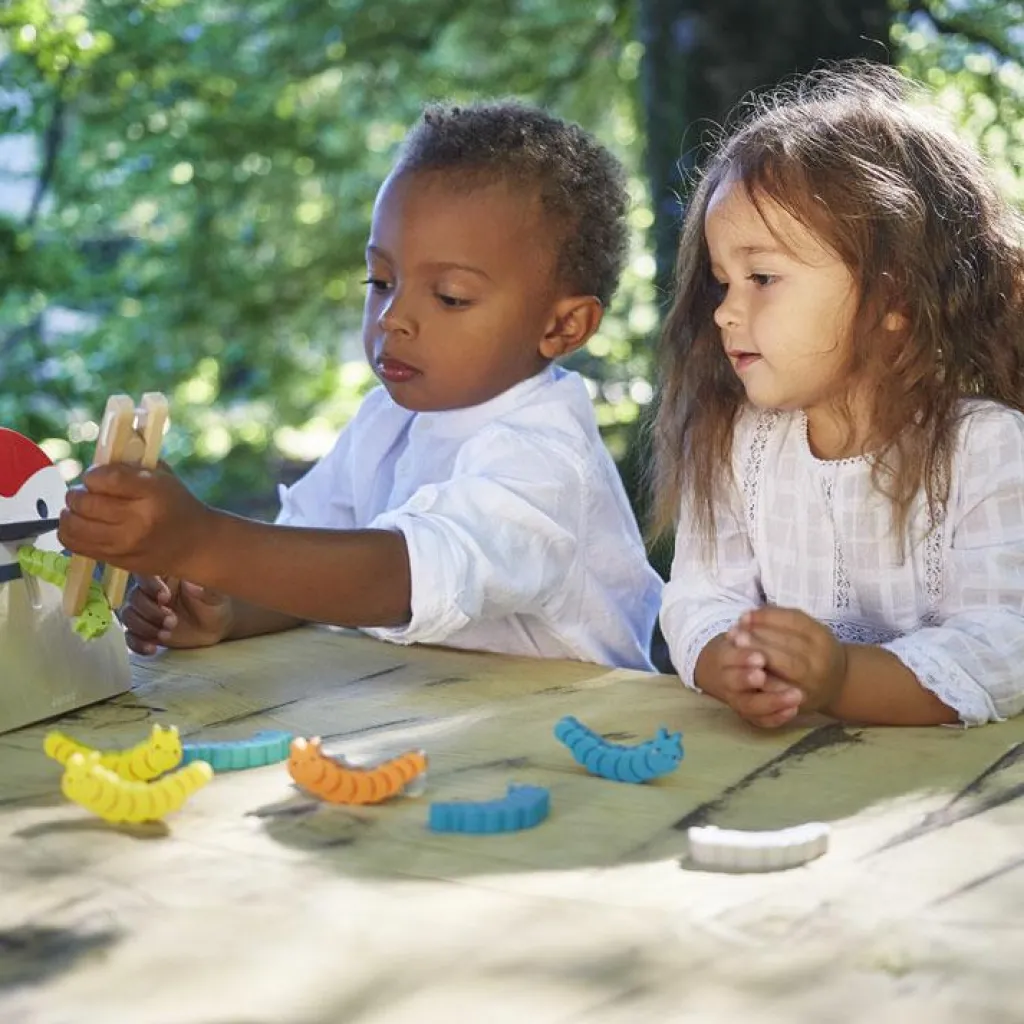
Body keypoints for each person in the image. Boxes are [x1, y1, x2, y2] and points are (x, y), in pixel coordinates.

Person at [59, 101, 663, 671]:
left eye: (450, 296)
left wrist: (202, 542)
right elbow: (307, 564)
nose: (393, 317)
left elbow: (399, 578)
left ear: (563, 326)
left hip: (581, 736)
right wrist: (227, 608)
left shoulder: (547, 462)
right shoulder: (386, 420)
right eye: (380, 281)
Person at [653, 61, 1024, 727]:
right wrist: (726, 659)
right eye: (722, 282)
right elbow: (699, 596)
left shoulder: (985, 448)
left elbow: (1005, 644)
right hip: (784, 768)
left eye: (762, 277)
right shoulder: (738, 441)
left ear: (893, 296)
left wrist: (843, 678)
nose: (725, 312)